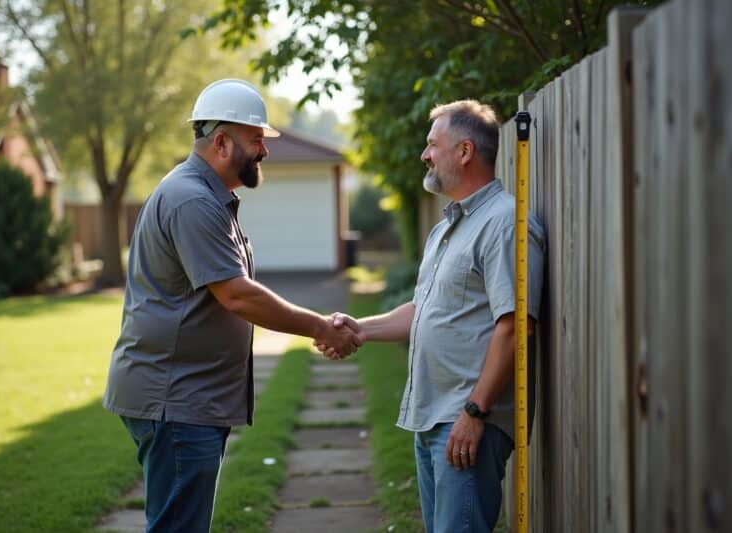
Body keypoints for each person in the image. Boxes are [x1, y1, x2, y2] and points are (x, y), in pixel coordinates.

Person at [102, 78, 361, 532]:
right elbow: (237, 294)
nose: (264, 150)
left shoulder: (203, 196)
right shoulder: (191, 200)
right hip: (175, 400)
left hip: (185, 398)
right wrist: (320, 327)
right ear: (221, 142)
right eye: (255, 139)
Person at [320, 100, 545, 532]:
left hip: (467, 421)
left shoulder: (504, 224)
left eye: (432, 145)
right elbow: (423, 309)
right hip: (434, 418)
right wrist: (360, 329)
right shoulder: (447, 228)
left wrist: (474, 413)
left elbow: (516, 326)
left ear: (464, 151)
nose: (424, 155)